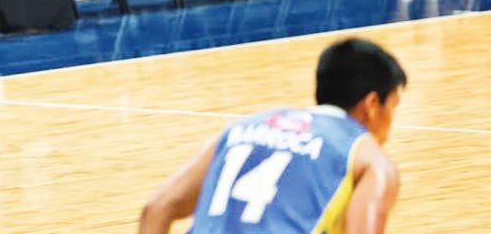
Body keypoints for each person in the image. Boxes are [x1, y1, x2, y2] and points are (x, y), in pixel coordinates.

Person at [140, 38, 404, 233]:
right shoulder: (369, 159)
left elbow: (155, 210)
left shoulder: (239, 130)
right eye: (393, 105)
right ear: (371, 104)